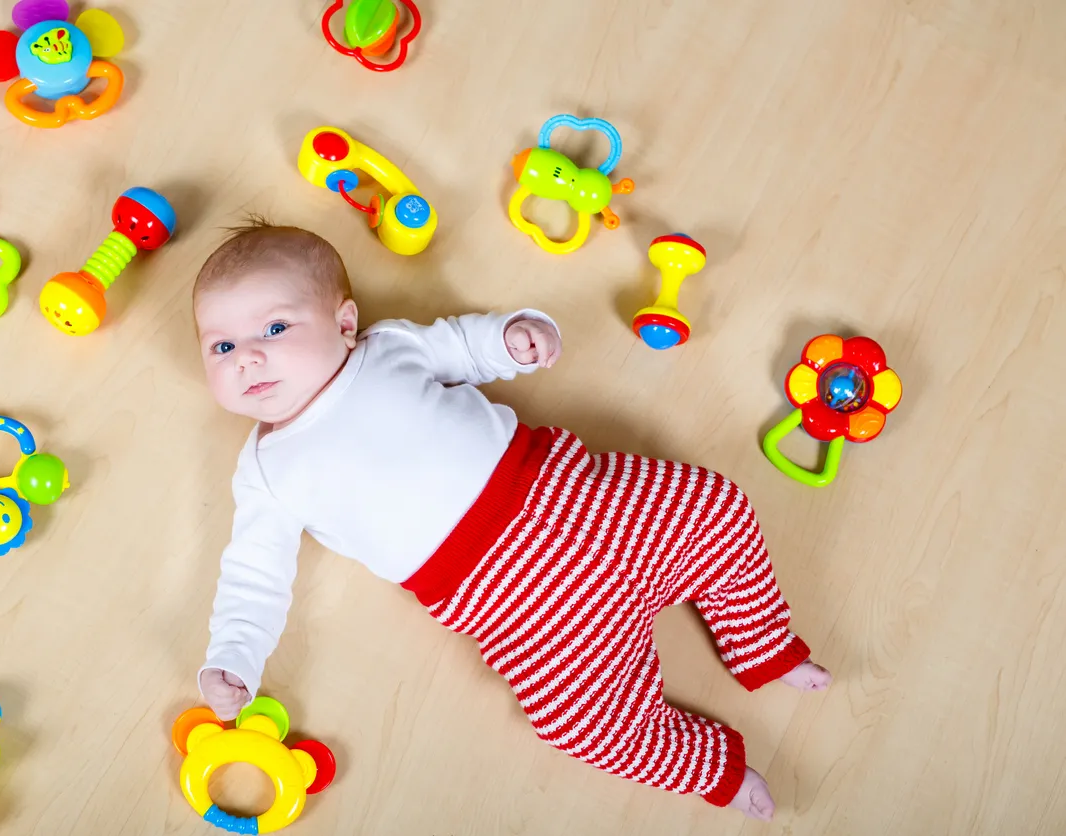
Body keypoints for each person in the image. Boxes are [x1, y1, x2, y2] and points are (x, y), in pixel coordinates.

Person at [192, 219, 831, 820]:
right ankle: (712, 767)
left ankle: (763, 644)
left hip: (587, 503)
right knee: (580, 727)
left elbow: (465, 346)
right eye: (221, 345)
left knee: (716, 508)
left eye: (273, 329)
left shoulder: (385, 351)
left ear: (344, 323)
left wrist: (516, 337)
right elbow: (255, 574)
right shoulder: (267, 471)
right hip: (522, 613)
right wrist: (234, 656)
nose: (245, 358)